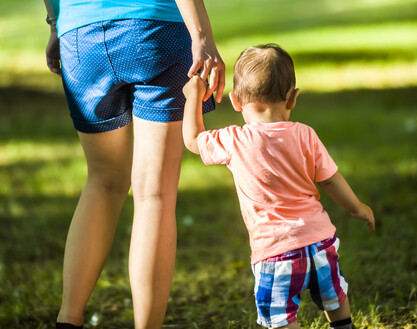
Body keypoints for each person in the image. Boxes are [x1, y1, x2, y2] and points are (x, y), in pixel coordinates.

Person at [43, 0, 225, 328]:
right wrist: (202, 36)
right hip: (155, 28)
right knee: (154, 193)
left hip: (79, 35)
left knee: (102, 181)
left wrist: (56, 23)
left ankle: (68, 319)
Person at [182, 44, 375, 329]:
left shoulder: (235, 140)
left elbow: (193, 140)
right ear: (293, 98)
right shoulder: (305, 135)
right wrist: (357, 207)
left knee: (280, 316)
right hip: (320, 242)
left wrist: (193, 98)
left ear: (236, 102)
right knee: (333, 293)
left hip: (275, 253)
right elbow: (330, 179)